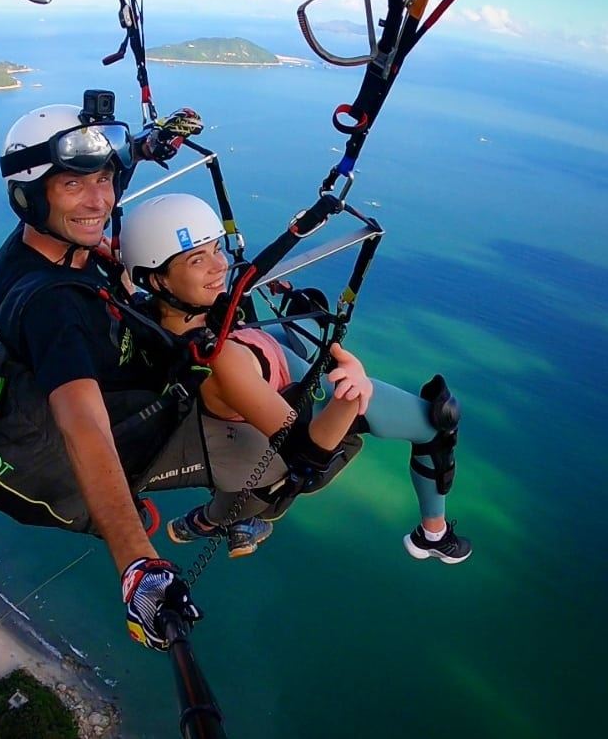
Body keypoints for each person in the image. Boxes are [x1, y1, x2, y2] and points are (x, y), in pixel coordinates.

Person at [0, 101, 204, 652]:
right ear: (30, 195)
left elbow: (92, 184)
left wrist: (143, 148)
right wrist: (137, 565)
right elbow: (85, 428)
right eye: (74, 186)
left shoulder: (41, 245)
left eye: (105, 180)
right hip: (62, 465)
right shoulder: (52, 307)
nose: (100, 200)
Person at [120, 193, 472, 564]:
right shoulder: (221, 361)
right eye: (197, 259)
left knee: (309, 310)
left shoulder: (151, 315)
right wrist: (352, 392)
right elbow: (307, 455)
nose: (218, 266)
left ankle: (212, 520)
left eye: (215, 250)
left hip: (267, 358)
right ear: (157, 280)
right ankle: (433, 534)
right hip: (290, 388)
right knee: (438, 422)